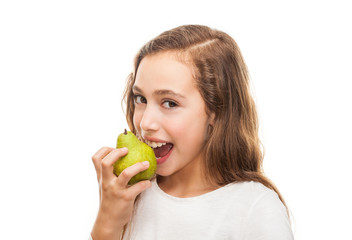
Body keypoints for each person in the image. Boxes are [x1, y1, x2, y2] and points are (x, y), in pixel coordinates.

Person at [90, 25, 294, 240]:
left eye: (169, 103)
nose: (145, 123)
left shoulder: (255, 209)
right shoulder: (129, 196)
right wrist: (107, 222)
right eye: (141, 99)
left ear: (216, 109)